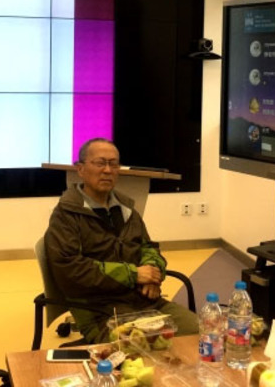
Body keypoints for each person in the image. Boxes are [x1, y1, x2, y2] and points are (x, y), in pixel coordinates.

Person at [44, 137, 199, 343]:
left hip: (145, 301)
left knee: (202, 333)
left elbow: (148, 247)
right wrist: (134, 275)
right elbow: (70, 270)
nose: (108, 170)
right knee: (146, 348)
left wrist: (153, 275)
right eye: (100, 163)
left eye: (114, 164)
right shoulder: (66, 215)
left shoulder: (126, 209)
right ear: (80, 169)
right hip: (101, 312)